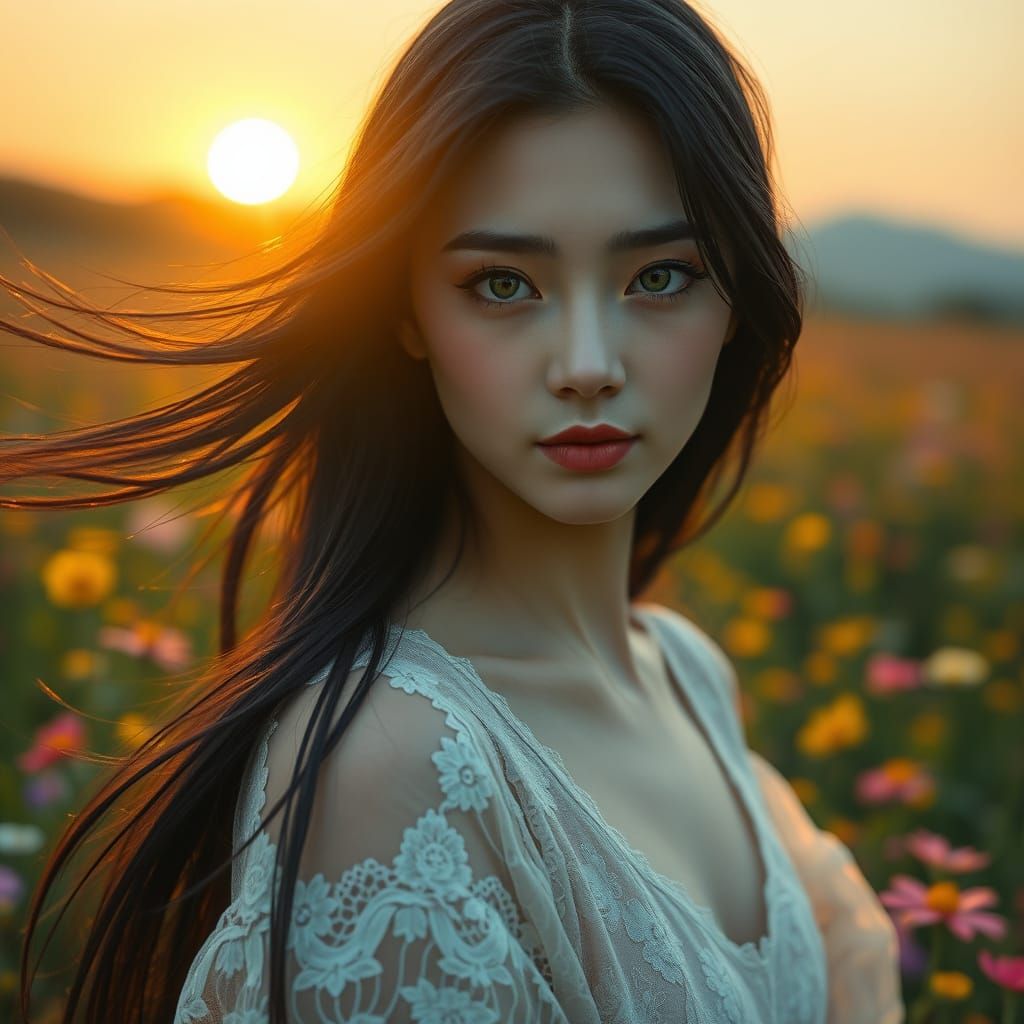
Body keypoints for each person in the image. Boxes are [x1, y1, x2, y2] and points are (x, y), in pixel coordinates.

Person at [4, 1, 903, 1021]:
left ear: (735, 291)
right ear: (406, 310)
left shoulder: (686, 672)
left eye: (661, 275)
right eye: (504, 283)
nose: (586, 366)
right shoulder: (394, 765)